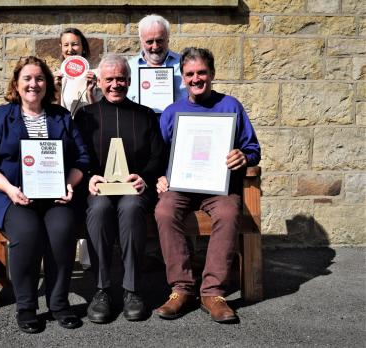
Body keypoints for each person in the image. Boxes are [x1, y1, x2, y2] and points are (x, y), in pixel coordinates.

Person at [0, 56, 90, 333]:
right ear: (16, 83)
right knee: (27, 233)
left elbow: (82, 158)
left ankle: (59, 303)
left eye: (39, 78)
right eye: (27, 78)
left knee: (62, 229)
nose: (33, 84)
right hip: (12, 196)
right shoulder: (0, 117)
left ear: (47, 84)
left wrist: (70, 184)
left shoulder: (61, 117)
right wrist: (10, 189)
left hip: (55, 195)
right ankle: (26, 306)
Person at [154, 47, 261, 323]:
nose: (196, 78)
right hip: (181, 187)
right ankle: (182, 288)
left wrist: (243, 156)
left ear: (212, 74)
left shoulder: (231, 106)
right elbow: (157, 155)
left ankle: (212, 293)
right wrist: (160, 175)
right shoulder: (171, 112)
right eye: (189, 74)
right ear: (182, 78)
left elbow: (253, 148)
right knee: (164, 211)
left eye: (201, 72)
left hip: (219, 187)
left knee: (228, 212)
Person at [74, 54, 166, 323]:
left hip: (135, 189)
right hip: (97, 189)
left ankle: (132, 289)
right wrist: (89, 176)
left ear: (129, 80)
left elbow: (157, 156)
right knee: (100, 209)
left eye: (121, 79)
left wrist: (145, 178)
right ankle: (101, 290)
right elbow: (77, 154)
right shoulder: (86, 116)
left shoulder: (145, 115)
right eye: (109, 79)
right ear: (99, 82)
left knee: (132, 206)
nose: (116, 84)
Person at [127, 14, 187, 110]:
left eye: (159, 40)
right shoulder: (128, 67)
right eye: (149, 42)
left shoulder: (184, 64)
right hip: (140, 123)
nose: (155, 46)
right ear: (141, 40)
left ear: (168, 38)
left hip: (174, 123)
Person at [54, 28, 99, 115]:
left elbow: (100, 113)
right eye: (66, 45)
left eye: (74, 44)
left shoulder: (96, 76)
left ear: (83, 47)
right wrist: (56, 92)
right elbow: (53, 115)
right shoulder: (55, 77)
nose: (70, 49)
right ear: (61, 47)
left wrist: (90, 93)